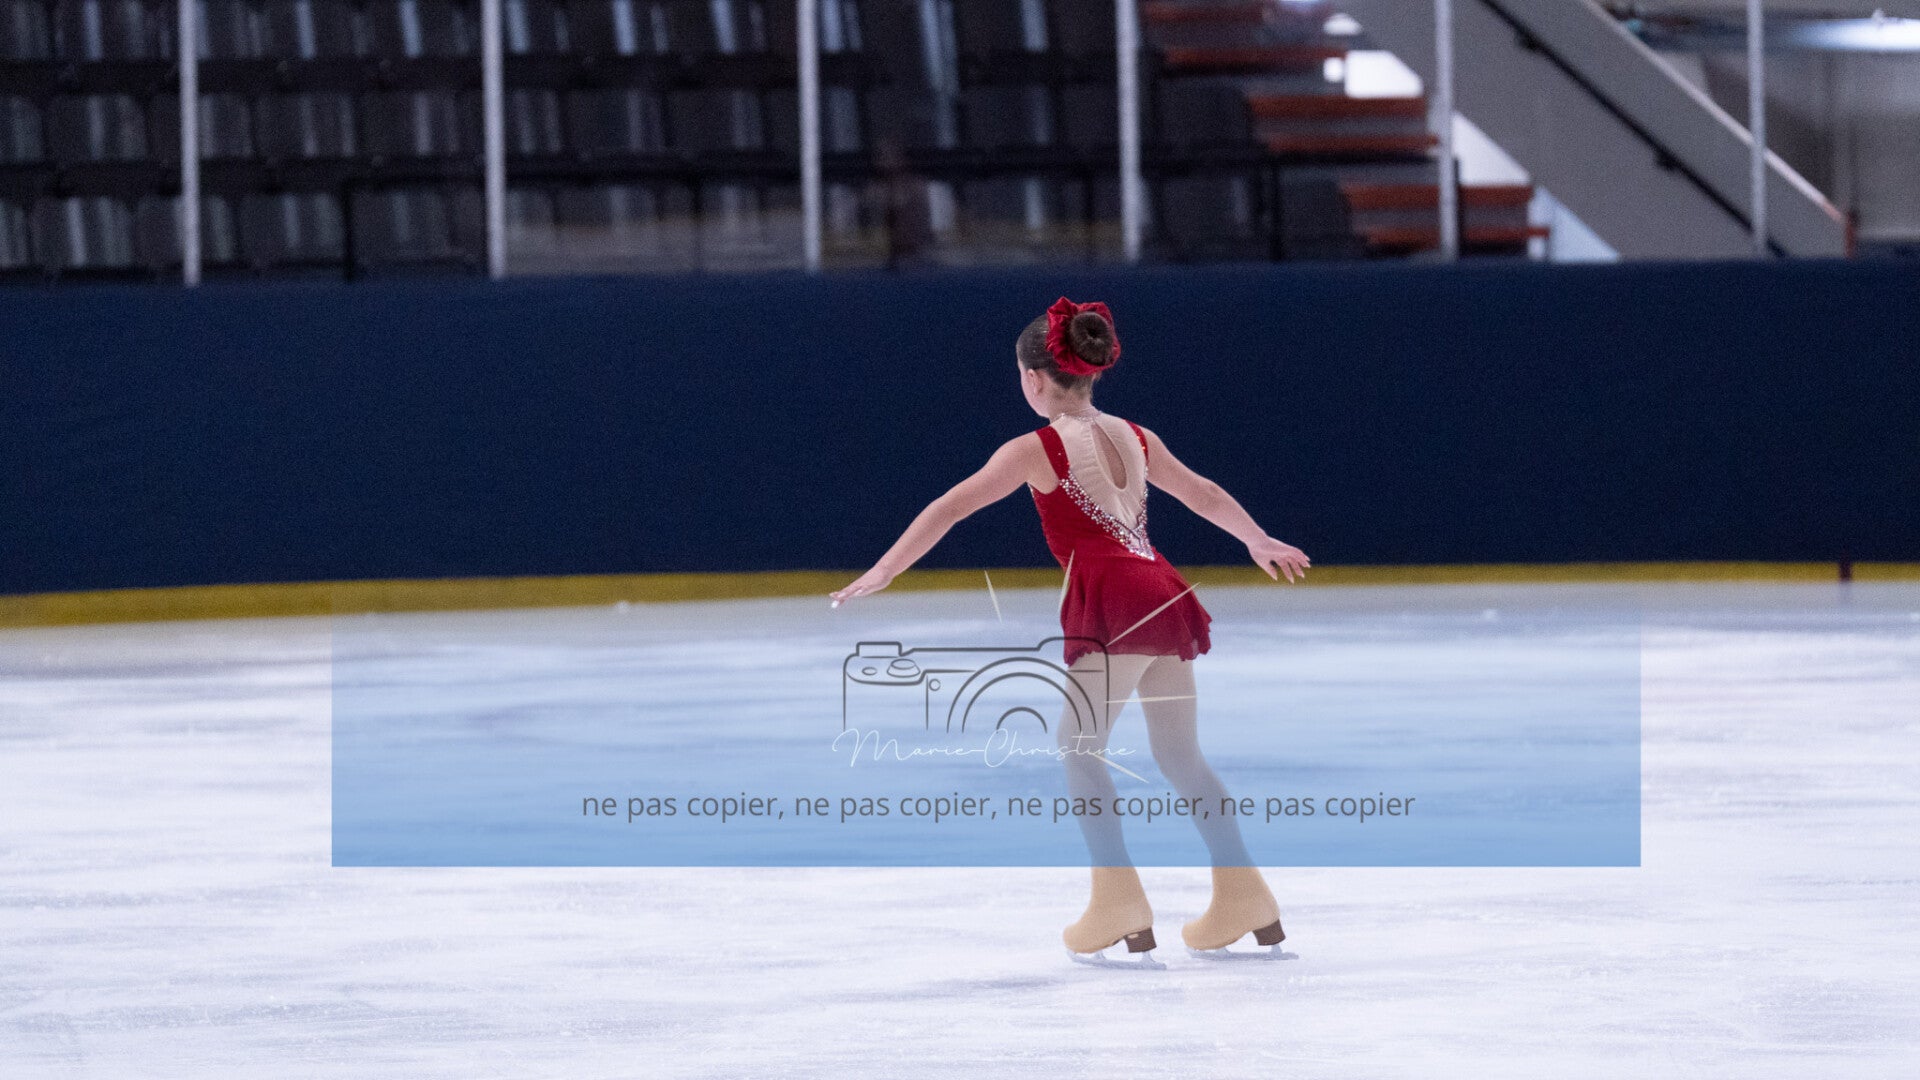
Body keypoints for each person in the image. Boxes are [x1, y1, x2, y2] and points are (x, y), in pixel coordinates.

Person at [831, 297, 1310, 965]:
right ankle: (1244, 894)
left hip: (1115, 600)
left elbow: (949, 508)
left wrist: (885, 569)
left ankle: (1118, 901)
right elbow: (1201, 491)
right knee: (1181, 756)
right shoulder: (1136, 435)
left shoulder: (1034, 449)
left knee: (1079, 748)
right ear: (1090, 372)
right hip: (1162, 590)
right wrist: (1256, 538)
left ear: (1034, 378)